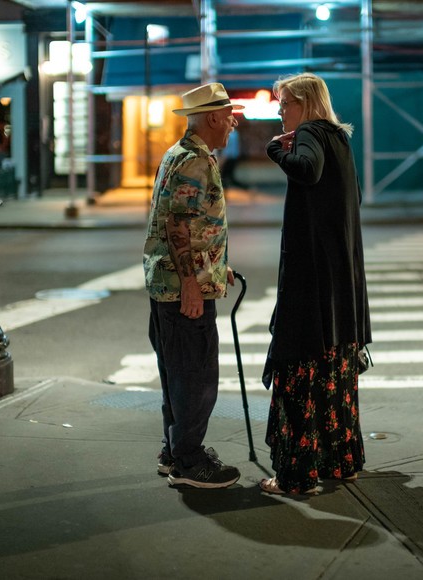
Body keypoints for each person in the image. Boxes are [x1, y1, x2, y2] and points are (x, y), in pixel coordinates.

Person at [260, 72, 371, 495]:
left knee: (300, 377)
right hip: (340, 288)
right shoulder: (339, 138)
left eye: (285, 103)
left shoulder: (308, 133)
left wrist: (274, 150)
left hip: (311, 288)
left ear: (305, 103)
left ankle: (297, 475)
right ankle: (341, 463)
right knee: (334, 377)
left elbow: (306, 170)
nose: (280, 111)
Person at [143, 82, 244, 489]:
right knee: (196, 377)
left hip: (169, 283)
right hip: (184, 288)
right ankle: (190, 462)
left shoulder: (177, 154)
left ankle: (174, 451)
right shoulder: (196, 161)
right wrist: (192, 282)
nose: (233, 123)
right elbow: (178, 223)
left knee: (176, 373)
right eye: (229, 116)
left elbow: (190, 222)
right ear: (214, 117)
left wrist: (218, 267)